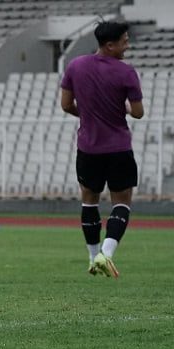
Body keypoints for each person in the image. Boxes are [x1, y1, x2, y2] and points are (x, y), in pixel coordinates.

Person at [60, 20, 144, 279]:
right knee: (122, 203)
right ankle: (105, 254)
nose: (127, 46)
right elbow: (138, 112)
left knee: (89, 201)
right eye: (124, 42)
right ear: (110, 45)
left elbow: (66, 105)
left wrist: (88, 115)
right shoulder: (126, 72)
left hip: (88, 148)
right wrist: (124, 109)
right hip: (118, 148)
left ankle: (92, 256)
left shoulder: (75, 66)